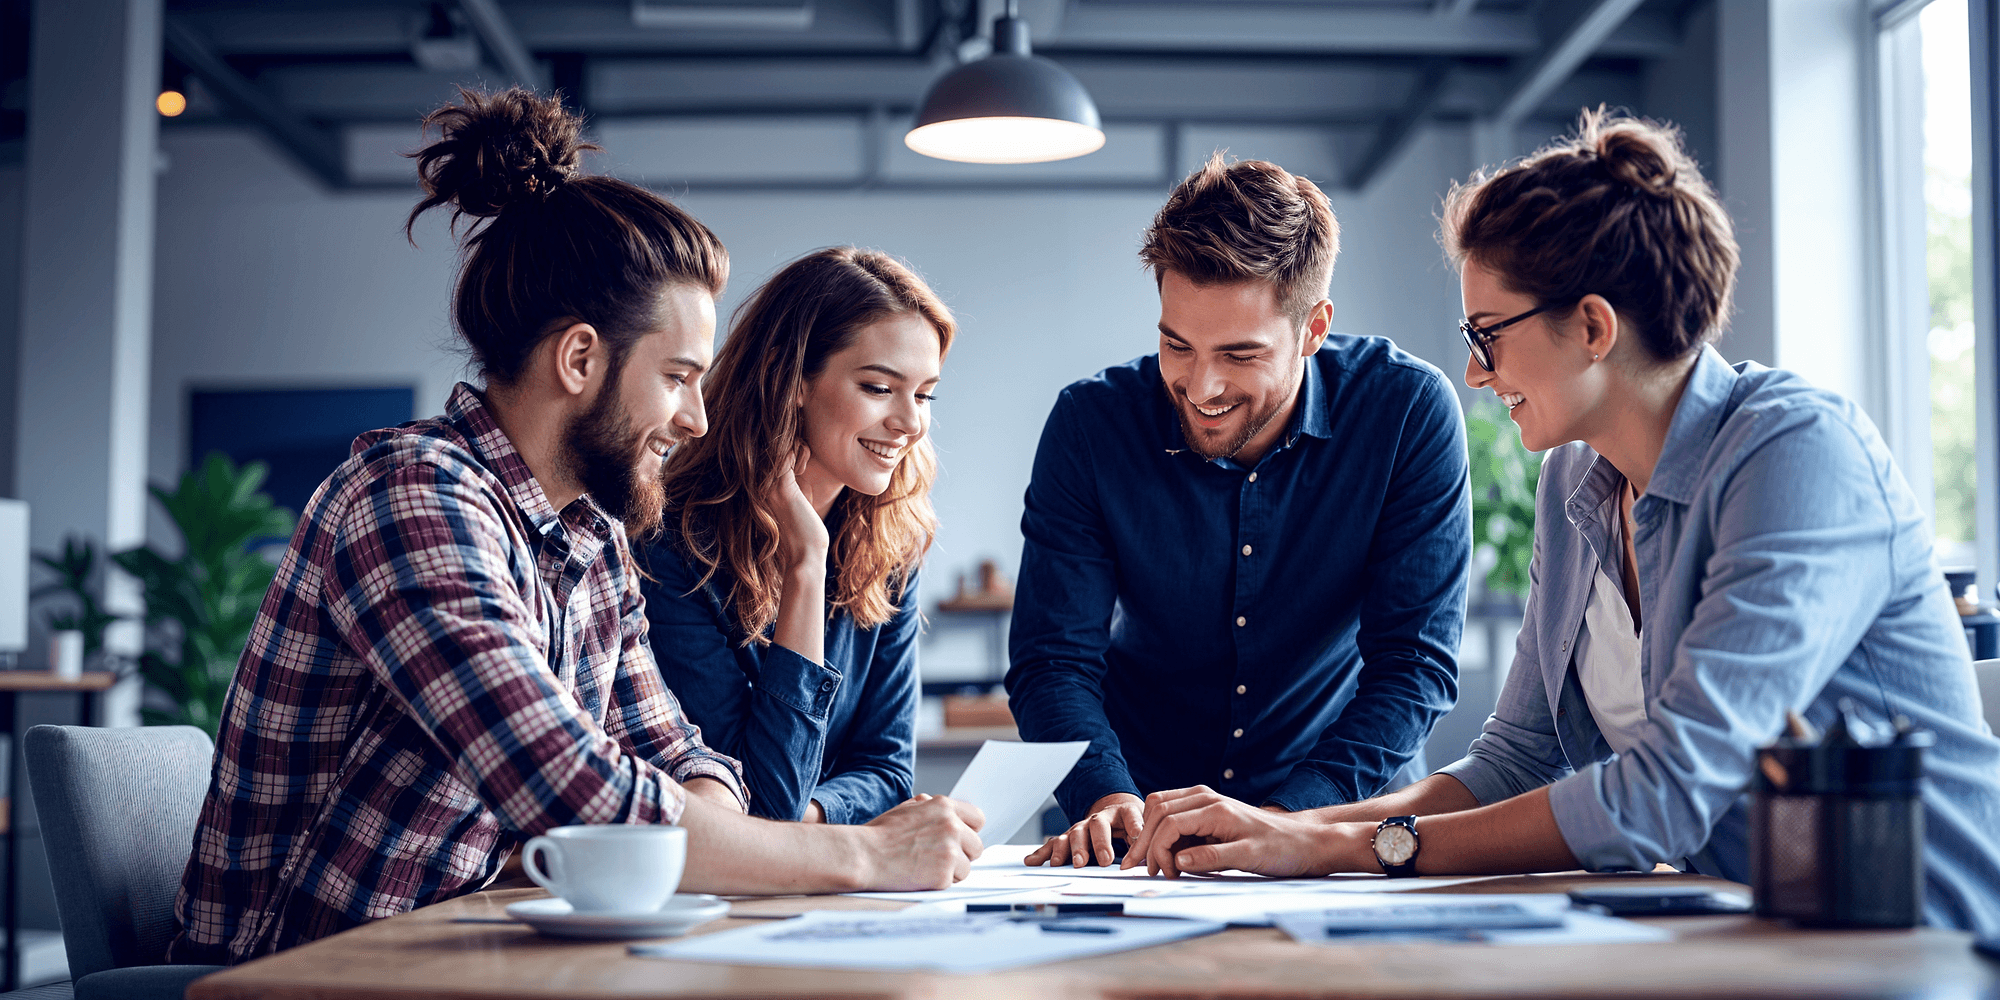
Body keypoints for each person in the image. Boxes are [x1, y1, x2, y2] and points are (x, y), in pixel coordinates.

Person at [1118, 111, 2000, 935]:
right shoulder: (1577, 476)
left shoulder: (1796, 453)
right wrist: (1276, 832)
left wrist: (1347, 847)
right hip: (1748, 934)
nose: (1471, 371)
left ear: (1592, 327)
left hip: (1917, 945)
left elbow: (1665, 792)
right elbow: (1517, 755)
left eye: (1487, 333)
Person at [168, 89, 982, 966]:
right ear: (580, 358)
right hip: (299, 972)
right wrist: (862, 854)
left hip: (456, 956)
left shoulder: (590, 541)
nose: (698, 420)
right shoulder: (414, 497)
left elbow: (674, 750)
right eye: (676, 378)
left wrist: (716, 802)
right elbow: (568, 789)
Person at [1009, 154, 1472, 868]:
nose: (1201, 386)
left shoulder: (1407, 412)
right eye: (1176, 344)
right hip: (1137, 830)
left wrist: (1287, 825)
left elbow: (1412, 665)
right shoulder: (1089, 425)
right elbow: (1053, 661)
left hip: (1337, 820)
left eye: (1240, 354)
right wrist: (1105, 797)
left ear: (1314, 328)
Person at [639, 248, 950, 824]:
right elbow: (758, 798)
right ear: (793, 380)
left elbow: (888, 768)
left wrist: (812, 820)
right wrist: (805, 563)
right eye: (880, 388)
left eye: (925, 393)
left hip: (817, 881)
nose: (911, 422)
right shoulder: (669, 544)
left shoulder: (892, 543)